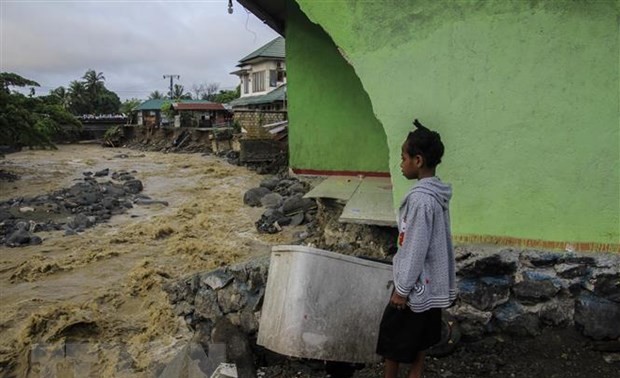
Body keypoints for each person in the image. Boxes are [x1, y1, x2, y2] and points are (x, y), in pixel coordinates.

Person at [376, 119, 456, 378]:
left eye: (403, 158)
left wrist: (402, 290)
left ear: (418, 160)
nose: (400, 164)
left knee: (392, 343)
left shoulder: (421, 200)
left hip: (415, 288)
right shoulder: (436, 194)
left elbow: (415, 247)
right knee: (419, 343)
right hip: (432, 287)